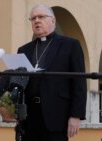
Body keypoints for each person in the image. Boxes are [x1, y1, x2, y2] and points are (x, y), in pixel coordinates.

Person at [17, 3, 87, 141]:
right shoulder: (24, 50)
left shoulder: (71, 45)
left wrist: (76, 115)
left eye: (41, 17)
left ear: (53, 20)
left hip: (57, 117)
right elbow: (20, 82)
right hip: (29, 118)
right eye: (33, 18)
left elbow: (79, 82)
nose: (37, 20)